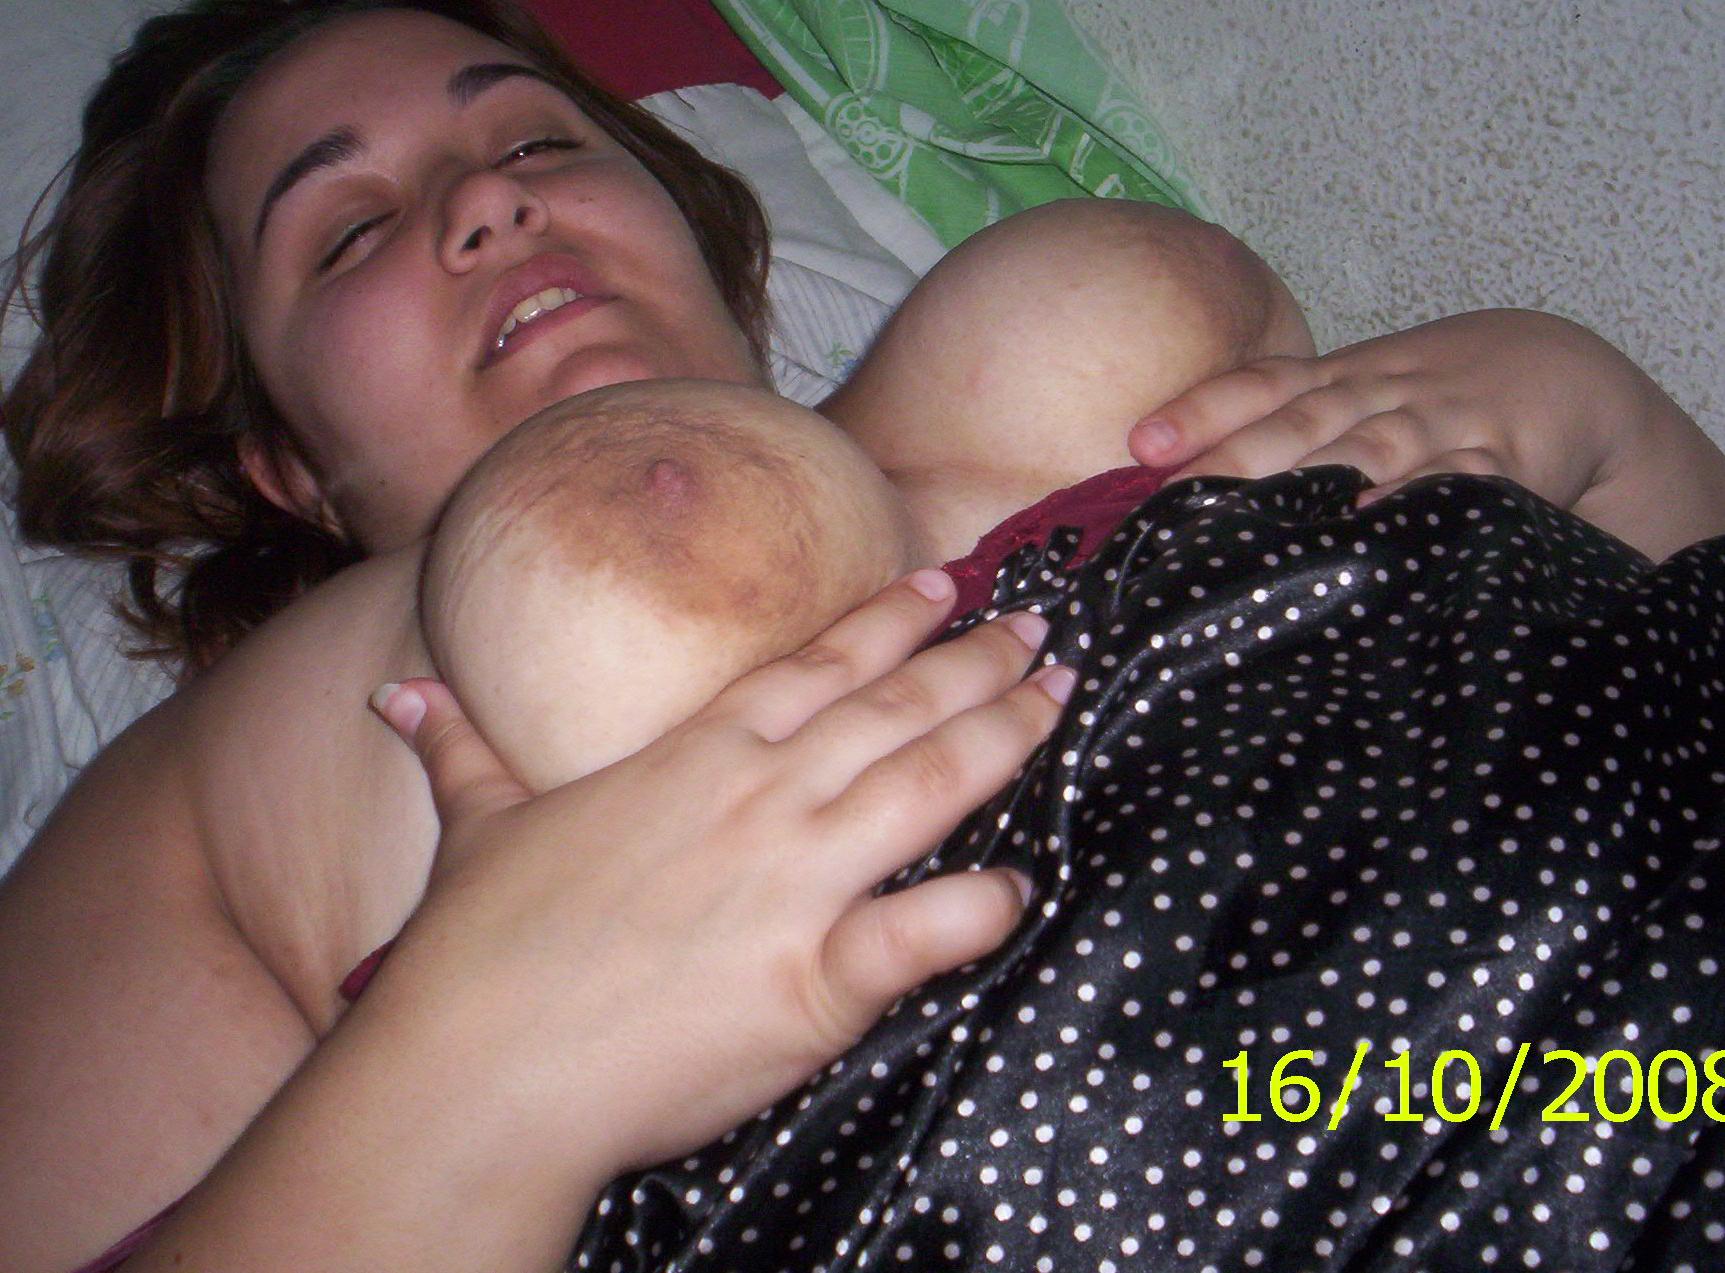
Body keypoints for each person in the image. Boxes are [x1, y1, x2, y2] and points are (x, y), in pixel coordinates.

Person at [1, 2, 1722, 1270]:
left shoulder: (1031, 345)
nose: (487, 202)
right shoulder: (201, 797)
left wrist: (1598, 407)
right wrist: (484, 1075)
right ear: (287, 465)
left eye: (537, 141)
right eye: (353, 229)